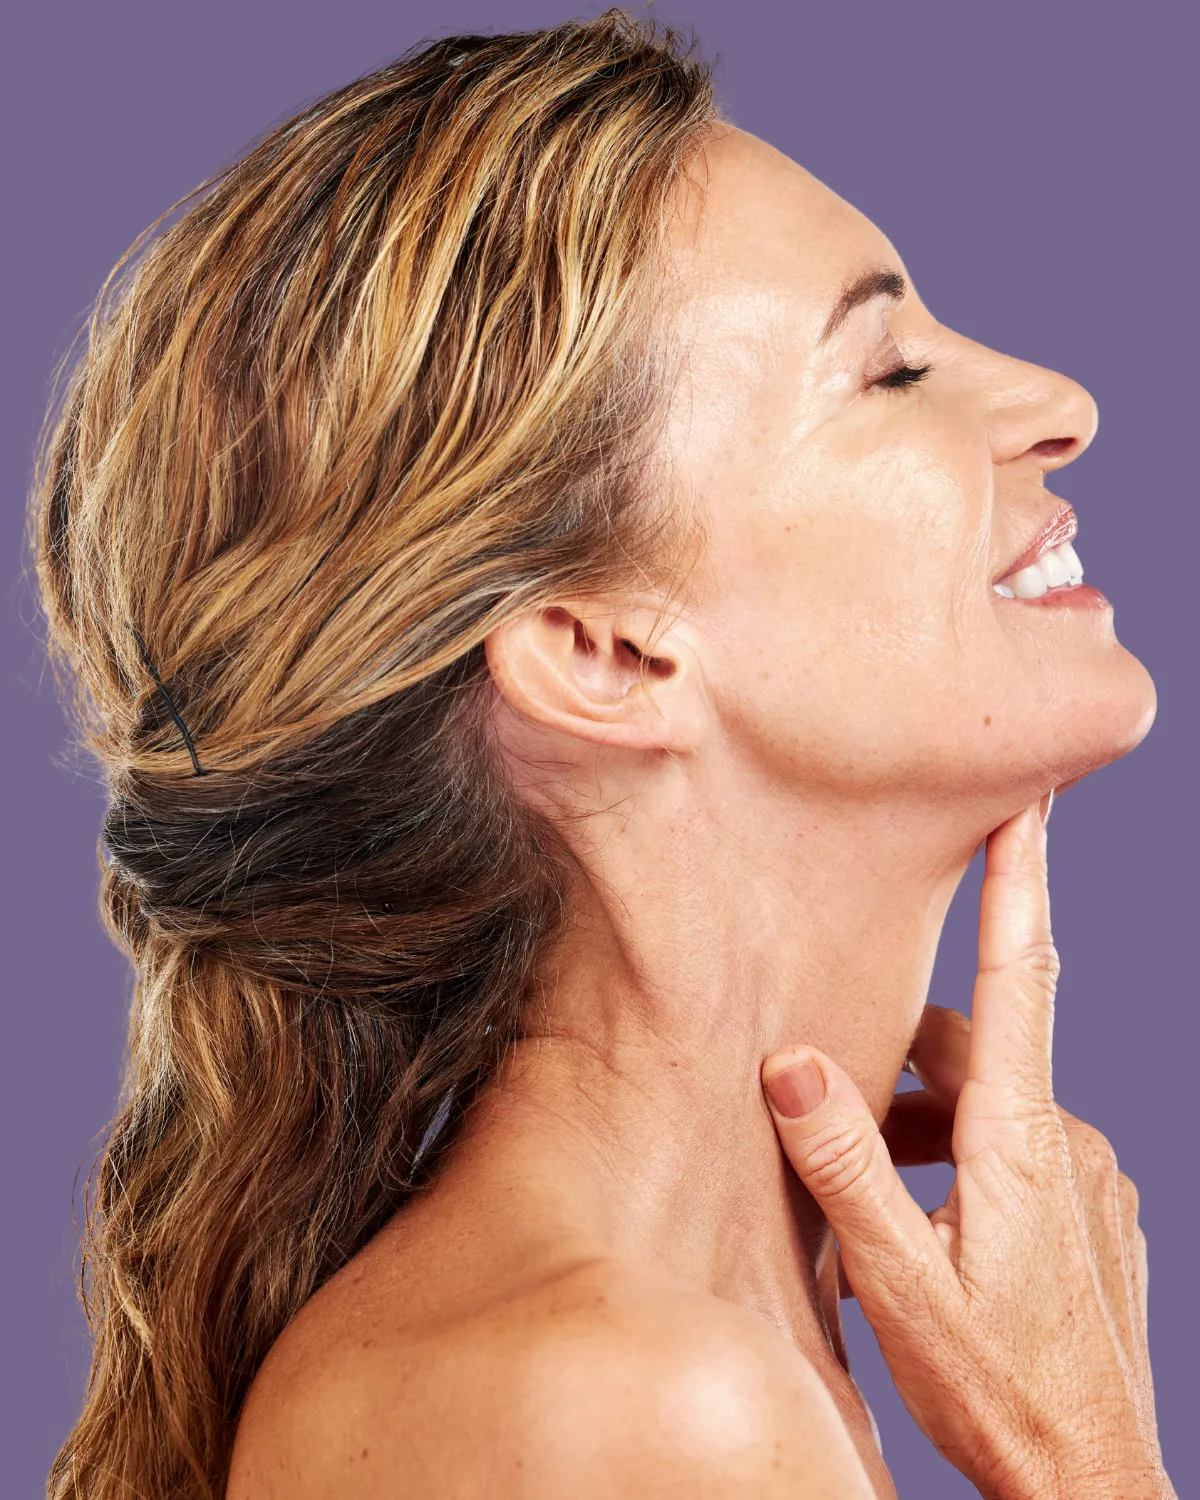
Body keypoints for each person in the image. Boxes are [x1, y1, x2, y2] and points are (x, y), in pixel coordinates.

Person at [34, 12, 1172, 1500]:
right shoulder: (635, 1404)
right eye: (890, 370)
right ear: (605, 653)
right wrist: (1089, 1466)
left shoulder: (687, 1360)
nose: (1060, 404)